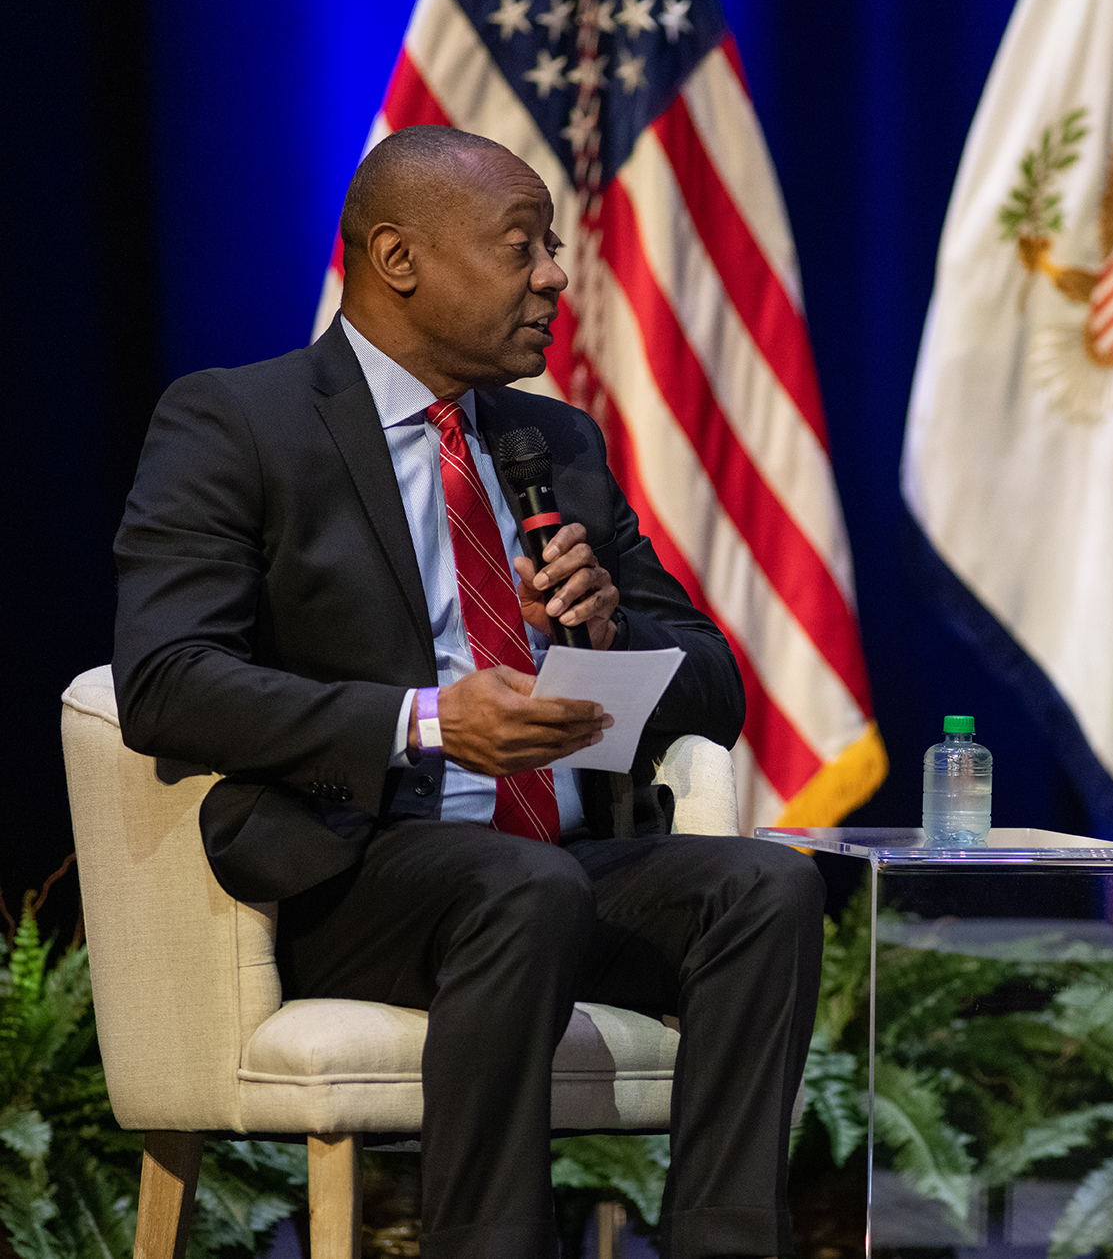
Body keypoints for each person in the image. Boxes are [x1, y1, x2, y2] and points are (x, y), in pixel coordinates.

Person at [113, 125, 823, 1259]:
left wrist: (605, 628)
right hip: (359, 867)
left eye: (552, 246)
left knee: (761, 887)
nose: (556, 275)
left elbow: (716, 687)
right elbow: (164, 683)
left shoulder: (558, 441)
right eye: (523, 245)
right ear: (399, 259)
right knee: (519, 884)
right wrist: (429, 720)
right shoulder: (238, 423)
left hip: (561, 866)